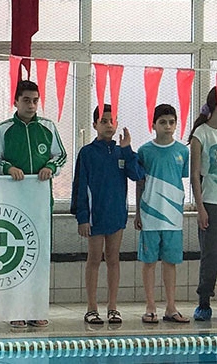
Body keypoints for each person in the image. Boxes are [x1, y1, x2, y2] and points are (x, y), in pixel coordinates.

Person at [0, 79, 66, 328]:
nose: (31, 105)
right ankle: (14, 310)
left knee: (38, 256)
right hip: (13, 204)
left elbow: (61, 156)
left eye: (35, 100)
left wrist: (50, 166)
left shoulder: (47, 127)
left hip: (40, 202)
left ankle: (36, 309)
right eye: (26, 100)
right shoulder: (4, 129)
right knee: (15, 257)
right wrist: (8, 168)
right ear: (15, 101)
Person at [71, 104, 144, 325]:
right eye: (103, 121)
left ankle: (113, 307)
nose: (109, 125)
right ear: (95, 124)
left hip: (116, 214)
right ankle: (91, 308)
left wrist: (128, 150)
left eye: (112, 121)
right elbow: (79, 186)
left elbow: (137, 175)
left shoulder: (122, 151)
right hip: (95, 216)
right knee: (94, 259)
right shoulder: (87, 153)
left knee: (113, 259)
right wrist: (82, 217)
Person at [134, 104, 190, 324]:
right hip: (150, 214)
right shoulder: (144, 151)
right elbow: (140, 183)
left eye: (172, 122)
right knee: (149, 262)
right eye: (163, 122)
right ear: (153, 125)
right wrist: (138, 212)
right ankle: (150, 306)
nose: (168, 126)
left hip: (173, 217)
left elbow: (181, 178)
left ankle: (171, 307)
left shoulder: (182, 151)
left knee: (170, 262)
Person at [189, 87, 217, 321]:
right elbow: (195, 175)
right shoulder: (202, 134)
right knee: (210, 255)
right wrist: (200, 208)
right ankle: (204, 301)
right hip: (210, 203)